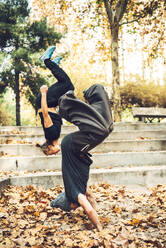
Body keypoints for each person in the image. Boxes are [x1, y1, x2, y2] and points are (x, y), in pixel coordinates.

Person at [50, 83, 114, 231]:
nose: (74, 209)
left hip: (72, 145)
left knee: (100, 131)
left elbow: (88, 208)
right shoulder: (81, 190)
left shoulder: (74, 194)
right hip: (77, 152)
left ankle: (67, 102)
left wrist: (99, 227)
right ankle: (98, 96)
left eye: (72, 209)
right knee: (102, 129)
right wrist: (98, 215)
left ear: (71, 203)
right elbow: (91, 200)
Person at [36, 46, 74, 155]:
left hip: (45, 102)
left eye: (52, 153)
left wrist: (43, 94)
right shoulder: (54, 136)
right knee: (69, 88)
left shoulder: (51, 135)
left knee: (66, 84)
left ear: (49, 147)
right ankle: (55, 66)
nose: (55, 153)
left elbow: (45, 114)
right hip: (50, 103)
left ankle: (46, 60)